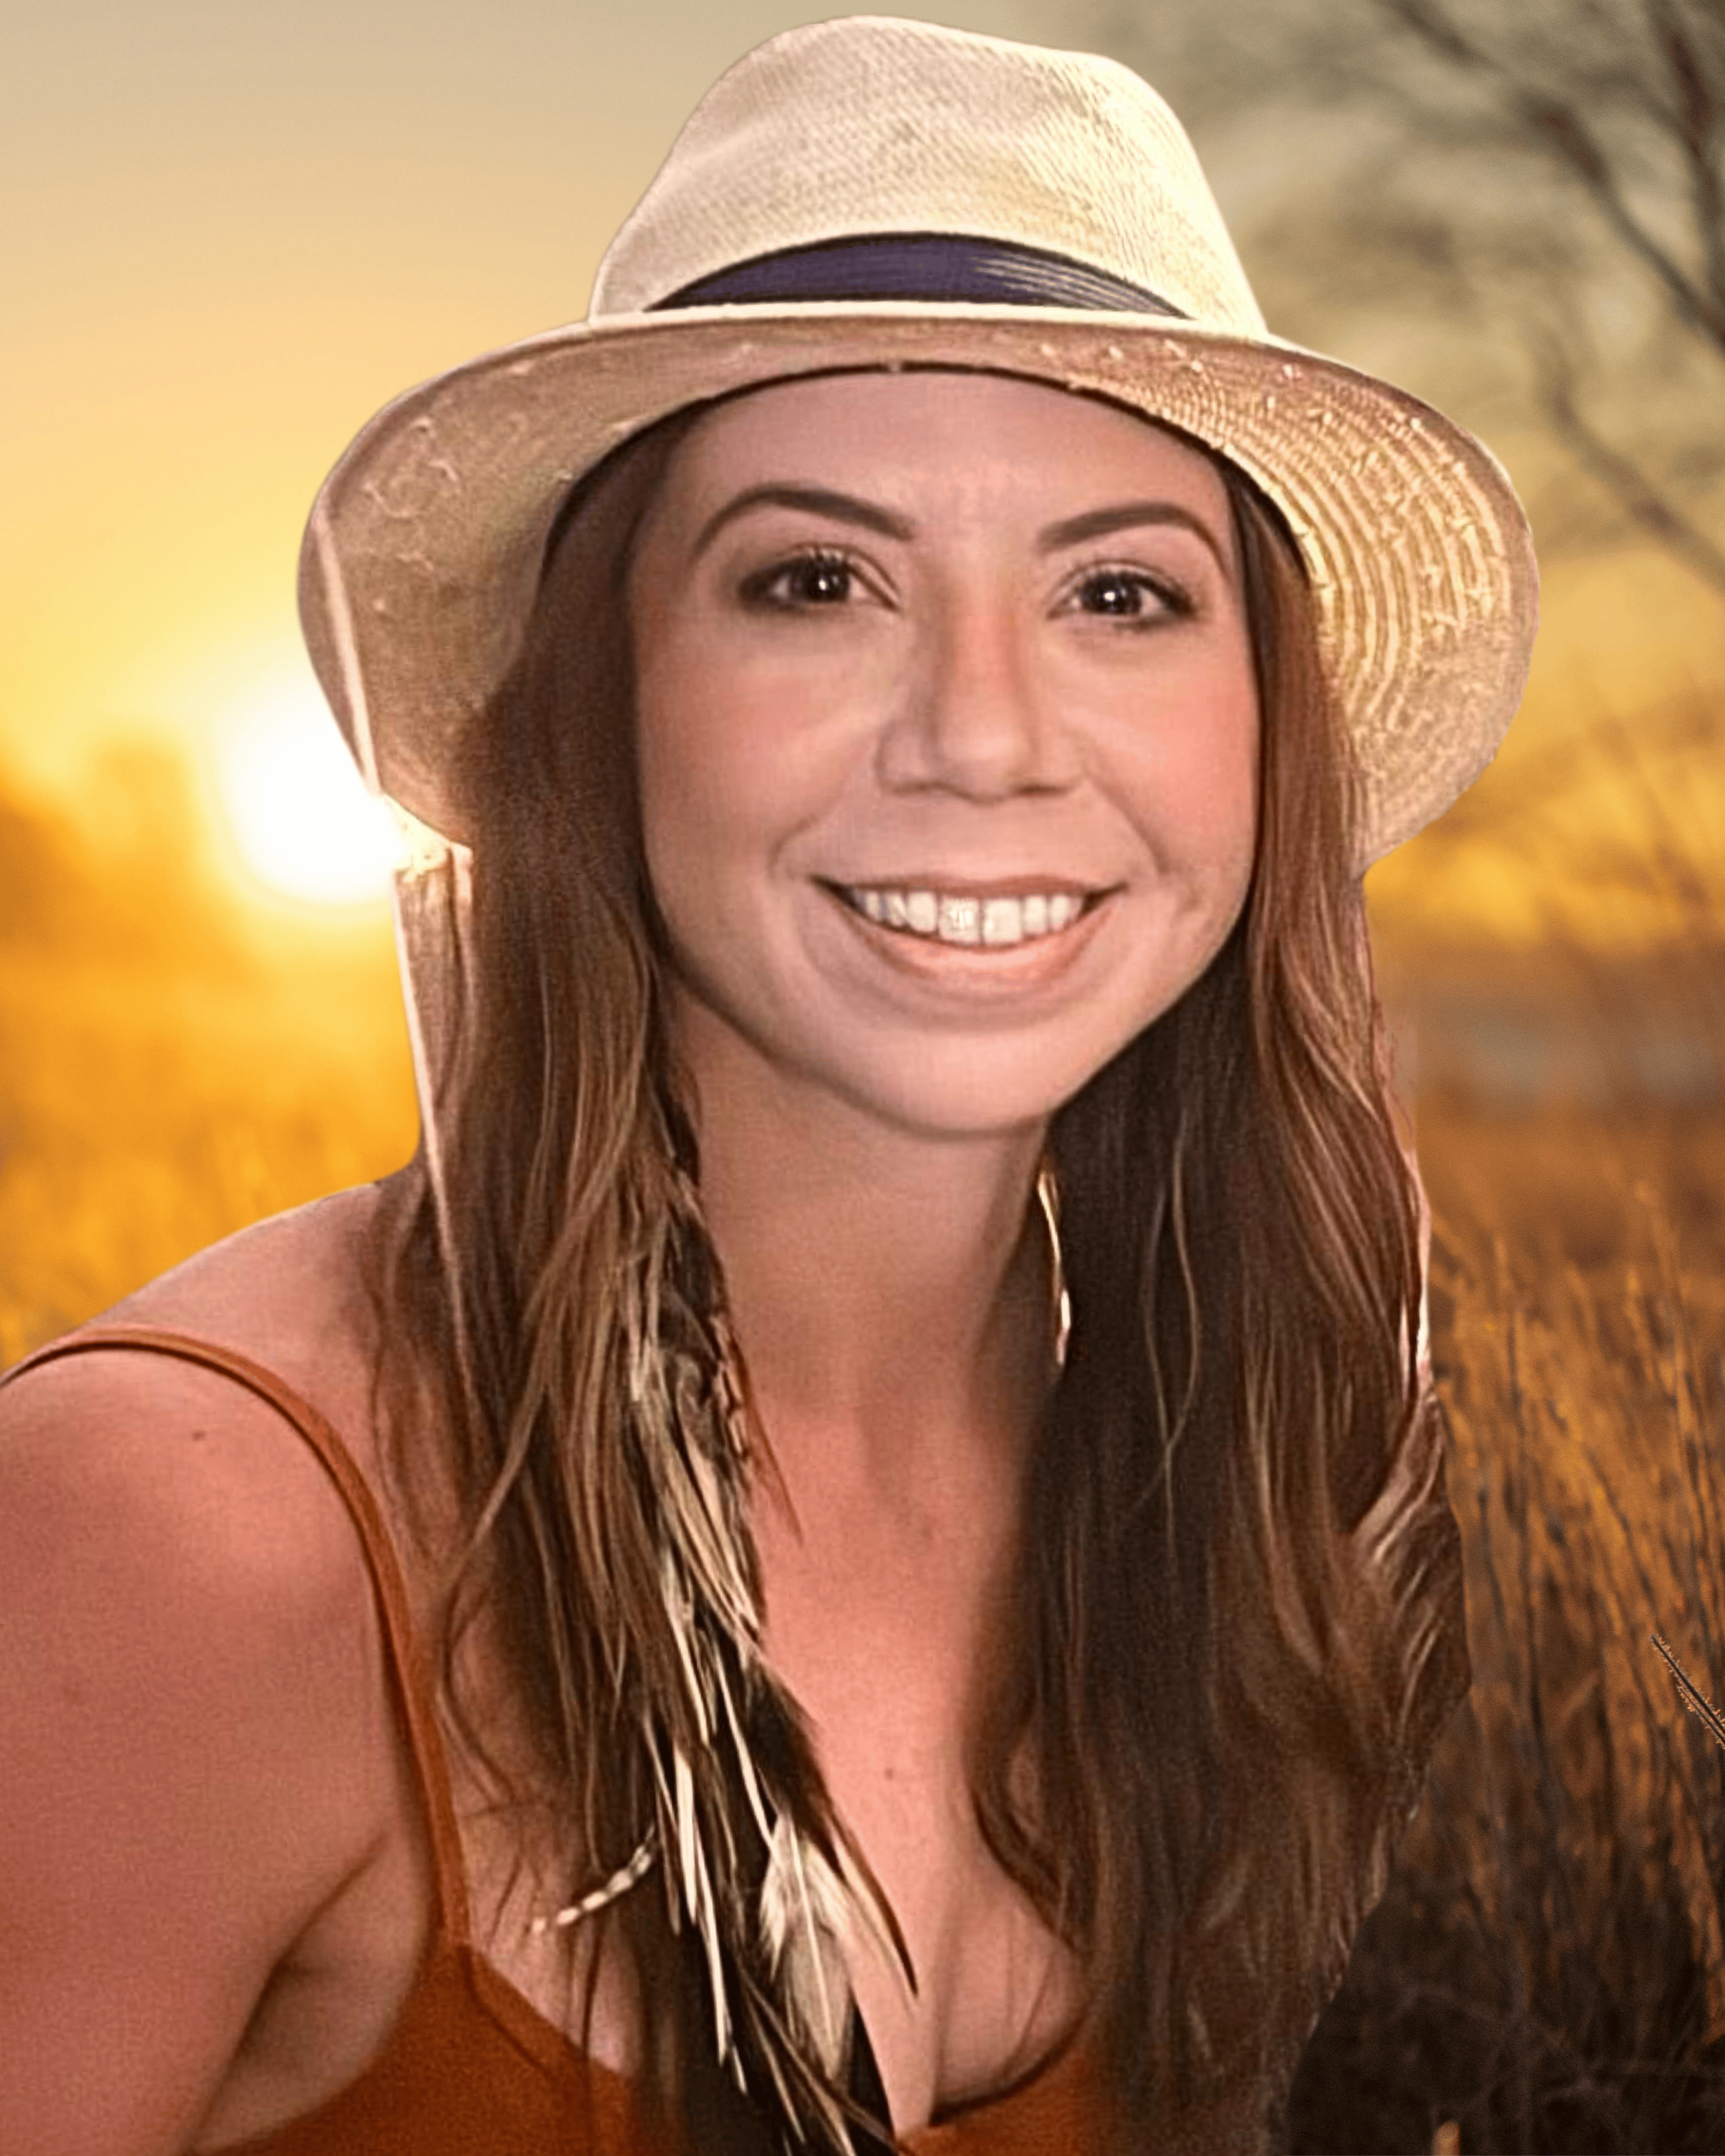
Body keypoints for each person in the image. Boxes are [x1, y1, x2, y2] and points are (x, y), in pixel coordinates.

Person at [0, 17, 1537, 2156]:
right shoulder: (182, 1533)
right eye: (815, 580)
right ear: (593, 711)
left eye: (1118, 591)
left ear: (1258, 733)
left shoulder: (1222, 1461)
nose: (982, 734)